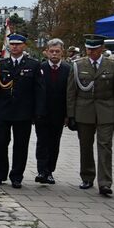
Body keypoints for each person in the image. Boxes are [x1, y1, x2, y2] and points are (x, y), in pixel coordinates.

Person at [67, 35, 114, 196]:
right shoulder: (78, 65)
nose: (91, 52)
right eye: (88, 49)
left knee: (105, 146)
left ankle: (105, 182)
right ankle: (87, 176)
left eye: (94, 49)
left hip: (106, 110)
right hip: (84, 110)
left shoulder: (113, 65)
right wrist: (70, 115)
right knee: (85, 146)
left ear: (102, 48)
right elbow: (71, 92)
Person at [0, 33, 45, 188]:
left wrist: (38, 112)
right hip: (4, 111)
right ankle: (0, 174)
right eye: (12, 44)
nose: (14, 47)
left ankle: (17, 175)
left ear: (24, 46)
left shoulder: (33, 65)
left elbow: (39, 91)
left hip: (23, 112)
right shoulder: (1, 64)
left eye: (18, 44)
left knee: (20, 146)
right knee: (0, 143)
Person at [34, 38, 70, 185]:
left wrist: (68, 114)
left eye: (57, 51)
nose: (54, 54)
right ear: (46, 52)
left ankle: (50, 171)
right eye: (52, 51)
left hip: (59, 113)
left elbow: (70, 93)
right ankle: (42, 170)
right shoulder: (40, 68)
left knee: (54, 142)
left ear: (62, 53)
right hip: (42, 112)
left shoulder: (68, 69)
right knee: (42, 142)